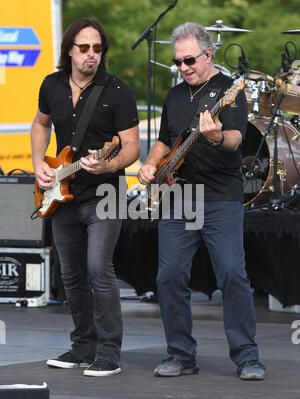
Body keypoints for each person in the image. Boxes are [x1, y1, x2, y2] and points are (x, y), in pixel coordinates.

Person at [138, 22, 265, 380]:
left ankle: (246, 356)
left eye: (190, 60)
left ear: (209, 54)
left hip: (220, 196)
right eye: (177, 62)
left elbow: (236, 139)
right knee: (169, 276)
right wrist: (149, 163)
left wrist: (215, 135)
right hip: (178, 196)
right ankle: (180, 354)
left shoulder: (231, 91)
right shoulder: (175, 96)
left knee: (232, 273)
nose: (183, 67)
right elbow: (166, 140)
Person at [31, 18, 140, 376]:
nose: (92, 54)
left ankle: (109, 353)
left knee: (98, 269)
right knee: (72, 274)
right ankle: (82, 347)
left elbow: (132, 149)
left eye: (97, 48)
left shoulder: (117, 91)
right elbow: (40, 123)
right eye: (84, 48)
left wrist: (108, 167)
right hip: (61, 192)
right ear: (69, 50)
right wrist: (38, 164)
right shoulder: (51, 85)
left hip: (104, 192)